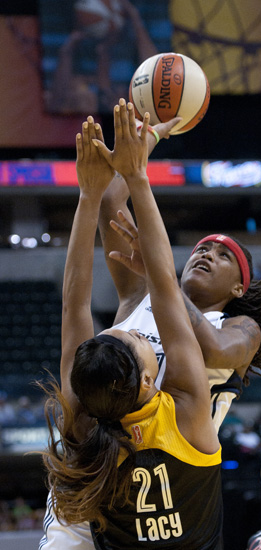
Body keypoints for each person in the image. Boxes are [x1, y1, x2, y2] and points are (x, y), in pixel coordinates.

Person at [40, 100, 223, 549]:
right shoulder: (177, 416)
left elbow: (75, 306)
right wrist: (130, 178)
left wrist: (90, 196)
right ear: (147, 379)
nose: (140, 329)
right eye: (139, 337)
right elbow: (156, 290)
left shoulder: (94, 428)